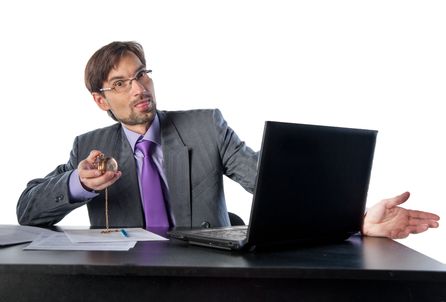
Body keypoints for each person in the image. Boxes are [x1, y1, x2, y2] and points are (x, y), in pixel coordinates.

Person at [16, 41, 440, 239]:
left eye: (142, 73)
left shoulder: (206, 125)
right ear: (100, 99)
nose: (139, 88)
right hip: (127, 280)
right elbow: (28, 210)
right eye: (121, 82)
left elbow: (271, 184)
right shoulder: (89, 146)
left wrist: (357, 220)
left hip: (206, 272)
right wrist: (78, 183)